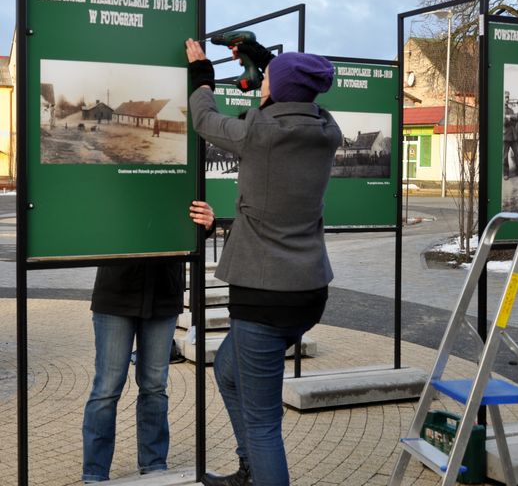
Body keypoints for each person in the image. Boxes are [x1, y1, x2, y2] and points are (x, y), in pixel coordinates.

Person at [185, 37, 342, 486]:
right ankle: (250, 470)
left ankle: (259, 473)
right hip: (308, 292)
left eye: (265, 80)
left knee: (263, 422)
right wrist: (271, 66)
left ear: (277, 90)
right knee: (229, 370)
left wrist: (203, 78)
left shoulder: (259, 131)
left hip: (264, 297)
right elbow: (297, 98)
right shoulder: (328, 131)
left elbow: (204, 118)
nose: (260, 85)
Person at [81, 201, 215, 483]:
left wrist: (207, 225)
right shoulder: (115, 180)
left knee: (155, 386)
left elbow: (191, 232)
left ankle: (154, 465)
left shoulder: (178, 179)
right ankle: (94, 472)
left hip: (163, 296)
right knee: (106, 388)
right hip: (115, 294)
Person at [502, 91, 518, 180]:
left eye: (508, 97)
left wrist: (509, 117)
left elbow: (516, 119)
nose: (507, 99)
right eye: (505, 97)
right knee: (504, 157)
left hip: (513, 136)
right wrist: (509, 118)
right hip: (505, 136)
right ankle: (506, 173)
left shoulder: (511, 109)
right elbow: (503, 122)